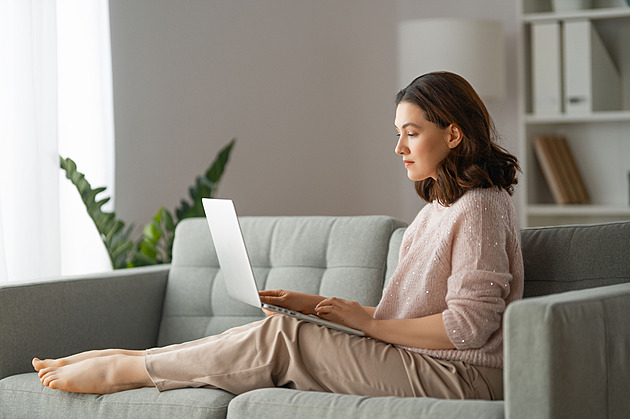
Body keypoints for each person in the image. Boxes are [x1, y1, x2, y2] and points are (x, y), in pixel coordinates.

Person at [33, 71, 523, 400]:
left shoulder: (480, 206)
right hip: (424, 360)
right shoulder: (442, 206)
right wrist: (320, 306)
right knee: (275, 327)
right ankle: (137, 357)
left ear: (453, 135)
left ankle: (127, 371)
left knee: (281, 337)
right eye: (397, 132)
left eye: (411, 133)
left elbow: (467, 328)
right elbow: (417, 318)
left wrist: (367, 324)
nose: (398, 147)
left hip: (463, 378)